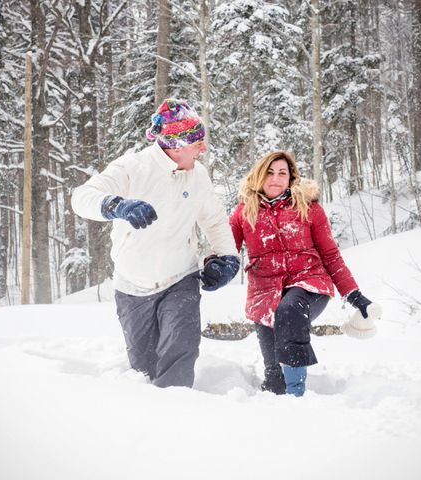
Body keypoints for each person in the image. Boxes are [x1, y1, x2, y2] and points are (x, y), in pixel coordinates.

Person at [71, 98, 240, 388]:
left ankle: (176, 414)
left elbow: (213, 220)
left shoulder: (197, 176)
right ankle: (148, 418)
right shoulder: (132, 167)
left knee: (180, 351)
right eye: (197, 141)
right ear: (176, 146)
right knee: (143, 367)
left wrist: (227, 257)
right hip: (132, 286)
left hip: (180, 278)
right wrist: (115, 205)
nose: (204, 148)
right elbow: (81, 197)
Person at [229, 151, 380, 396]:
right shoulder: (243, 212)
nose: (276, 179)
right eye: (269, 172)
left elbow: (331, 255)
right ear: (259, 175)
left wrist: (353, 295)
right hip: (264, 293)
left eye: (282, 173)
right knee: (274, 377)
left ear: (291, 178)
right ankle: (276, 404)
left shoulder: (308, 208)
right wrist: (214, 270)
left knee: (289, 310)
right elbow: (227, 252)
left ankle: (297, 394)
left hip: (309, 285)